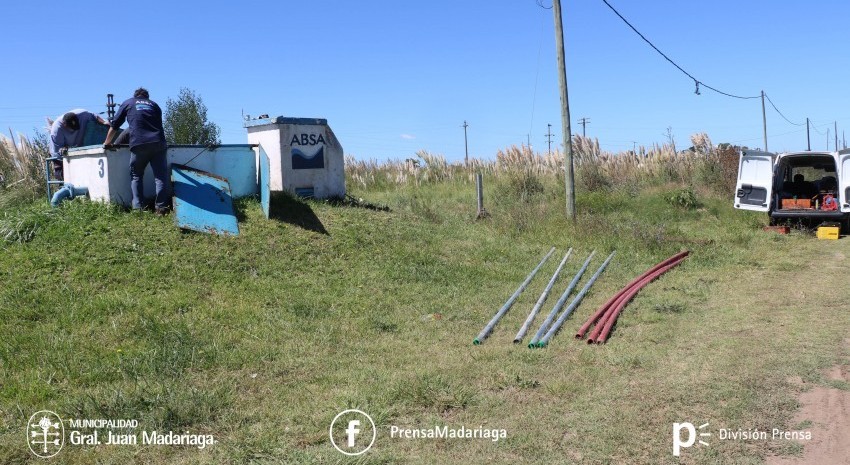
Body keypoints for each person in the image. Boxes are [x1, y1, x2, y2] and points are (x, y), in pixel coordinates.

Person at [104, 88, 169, 214]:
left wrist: (107, 142)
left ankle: (138, 208)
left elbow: (115, 124)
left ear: (135, 96)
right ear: (147, 97)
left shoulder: (128, 103)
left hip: (139, 143)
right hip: (159, 143)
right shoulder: (155, 105)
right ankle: (161, 208)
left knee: (136, 175)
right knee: (160, 177)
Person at [49, 109, 110, 180]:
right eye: (72, 128)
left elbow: (94, 116)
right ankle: (64, 186)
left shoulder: (82, 114)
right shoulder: (56, 130)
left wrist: (104, 122)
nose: (75, 130)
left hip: (77, 149)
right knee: (63, 174)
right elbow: (57, 152)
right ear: (64, 125)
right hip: (60, 154)